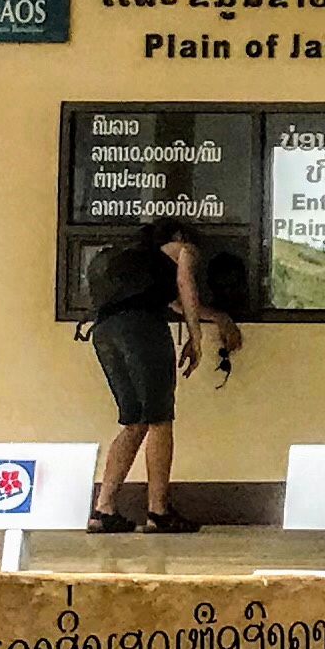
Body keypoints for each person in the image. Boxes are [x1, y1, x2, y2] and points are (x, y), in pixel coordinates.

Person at [81, 218, 215, 532]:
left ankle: (103, 509)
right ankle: (158, 510)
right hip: (142, 330)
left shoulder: (134, 263)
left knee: (134, 419)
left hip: (104, 331)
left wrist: (217, 318)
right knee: (159, 417)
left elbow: (171, 302)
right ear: (179, 235)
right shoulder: (182, 249)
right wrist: (196, 339)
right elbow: (186, 291)